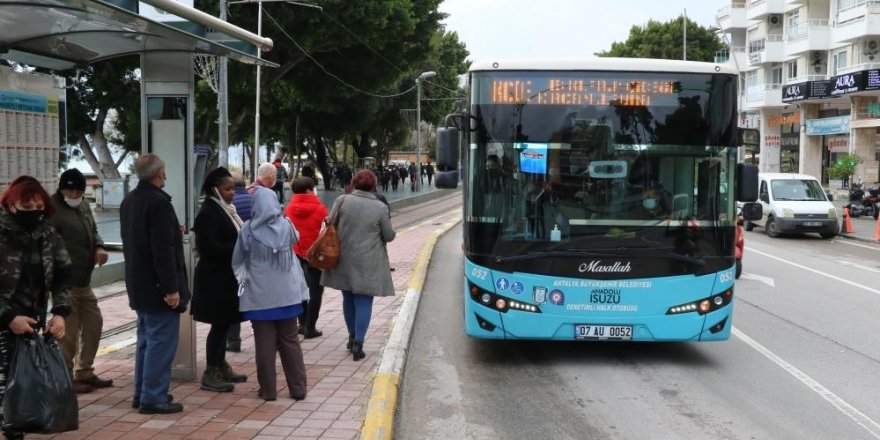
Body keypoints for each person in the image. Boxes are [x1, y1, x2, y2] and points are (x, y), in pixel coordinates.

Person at [0, 176, 72, 440]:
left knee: (21, 390)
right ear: (10, 205)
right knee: (6, 390)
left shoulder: (48, 235)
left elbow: (64, 276)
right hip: (5, 321)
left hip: (31, 323)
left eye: (38, 207)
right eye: (26, 207)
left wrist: (61, 313)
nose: (33, 213)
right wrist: (8, 317)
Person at [121, 154, 190, 414]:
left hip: (138, 284)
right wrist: (171, 289)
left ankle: (143, 392)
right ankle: (153, 397)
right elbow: (162, 251)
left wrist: (174, 231)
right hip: (158, 287)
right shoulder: (159, 203)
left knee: (146, 341)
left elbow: (137, 240)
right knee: (161, 343)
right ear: (160, 172)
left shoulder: (130, 201)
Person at [232, 187, 309, 401]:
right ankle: (298, 388)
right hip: (287, 295)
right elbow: (297, 239)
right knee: (290, 340)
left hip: (259, 297)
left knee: (264, 343)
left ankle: (269, 391)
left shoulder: (247, 230)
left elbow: (237, 261)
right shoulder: (287, 226)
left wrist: (244, 279)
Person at [47, 168, 112, 395]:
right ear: (61, 188)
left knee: (94, 324)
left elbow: (93, 230)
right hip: (65, 283)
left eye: (78, 191)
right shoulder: (52, 209)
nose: (74, 194)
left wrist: (100, 246)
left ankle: (85, 371)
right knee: (68, 332)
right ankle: (65, 377)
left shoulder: (83, 205)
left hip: (84, 281)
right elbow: (47, 245)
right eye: (70, 190)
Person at [321, 170, 396, 361]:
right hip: (368, 262)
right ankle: (359, 344)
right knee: (364, 301)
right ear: (373, 185)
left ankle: (351, 336)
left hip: (343, 259)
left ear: (353, 183)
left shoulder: (342, 201)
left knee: (347, 298)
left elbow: (330, 223)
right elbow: (388, 235)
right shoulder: (380, 207)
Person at [191, 167, 248, 393]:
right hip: (215, 280)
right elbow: (209, 248)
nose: (232, 192)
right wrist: (240, 248)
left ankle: (220, 365)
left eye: (233, 188)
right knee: (219, 325)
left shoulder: (226, 210)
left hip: (225, 278)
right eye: (227, 189)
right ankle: (211, 371)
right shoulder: (208, 213)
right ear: (215, 190)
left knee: (224, 324)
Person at [284, 177, 329, 339]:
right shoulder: (320, 209)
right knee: (316, 290)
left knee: (299, 289)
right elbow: (326, 230)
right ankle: (311, 327)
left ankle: (302, 323)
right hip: (315, 256)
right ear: (310, 190)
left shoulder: (288, 209)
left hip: (295, 253)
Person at [226, 171, 251, 353]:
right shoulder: (254, 200)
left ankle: (234, 341)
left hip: (233, 258)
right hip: (254, 257)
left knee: (233, 297)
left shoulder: (229, 205)